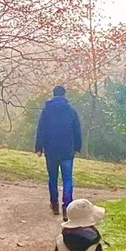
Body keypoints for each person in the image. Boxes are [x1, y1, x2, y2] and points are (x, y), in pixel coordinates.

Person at [34, 85, 82, 217]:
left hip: (51, 150)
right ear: (64, 95)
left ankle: (54, 205)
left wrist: (39, 147)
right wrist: (77, 146)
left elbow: (41, 130)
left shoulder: (46, 111)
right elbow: (77, 130)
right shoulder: (71, 111)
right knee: (67, 179)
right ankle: (67, 207)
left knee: (53, 178)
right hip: (67, 150)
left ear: (53, 94)